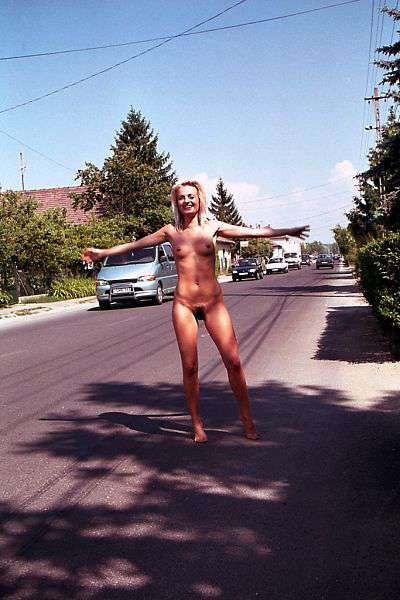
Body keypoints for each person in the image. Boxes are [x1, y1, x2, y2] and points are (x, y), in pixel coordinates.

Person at [83, 181, 309, 443]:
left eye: (191, 196)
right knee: (190, 366)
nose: (187, 201)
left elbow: (253, 232)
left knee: (233, 361)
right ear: (176, 203)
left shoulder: (213, 227)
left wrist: (288, 231)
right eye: (182, 198)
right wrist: (103, 253)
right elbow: (136, 245)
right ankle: (196, 423)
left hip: (213, 303)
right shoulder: (170, 232)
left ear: (199, 199)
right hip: (184, 305)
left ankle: (247, 418)